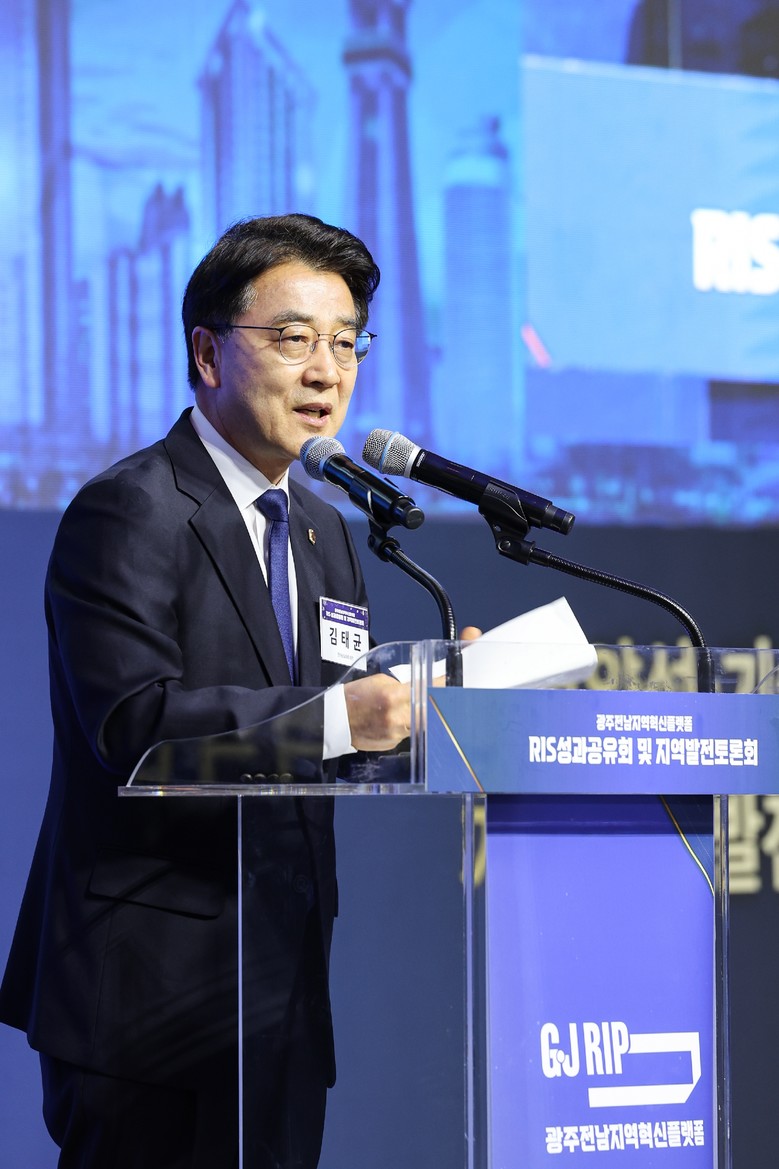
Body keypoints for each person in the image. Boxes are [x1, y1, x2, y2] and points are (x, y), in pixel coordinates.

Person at [0, 213, 412, 1169]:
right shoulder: (130, 507)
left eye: (346, 342)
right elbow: (135, 728)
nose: (326, 371)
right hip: (148, 995)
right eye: (294, 338)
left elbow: (330, 730)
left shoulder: (324, 530)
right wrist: (338, 715)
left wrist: (428, 698)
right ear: (208, 351)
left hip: (281, 987)